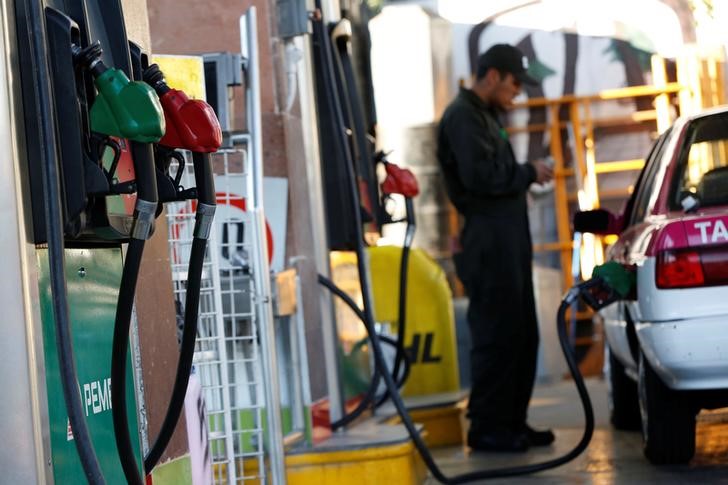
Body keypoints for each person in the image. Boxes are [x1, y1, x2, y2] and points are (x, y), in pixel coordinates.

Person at [436, 44, 554, 452]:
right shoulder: (463, 117)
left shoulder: (485, 115)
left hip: (508, 236)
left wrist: (522, 177)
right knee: (497, 334)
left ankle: (512, 423)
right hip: (488, 240)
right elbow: (480, 176)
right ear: (492, 76)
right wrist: (526, 172)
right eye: (515, 82)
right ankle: (487, 428)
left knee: (522, 332)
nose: (518, 92)